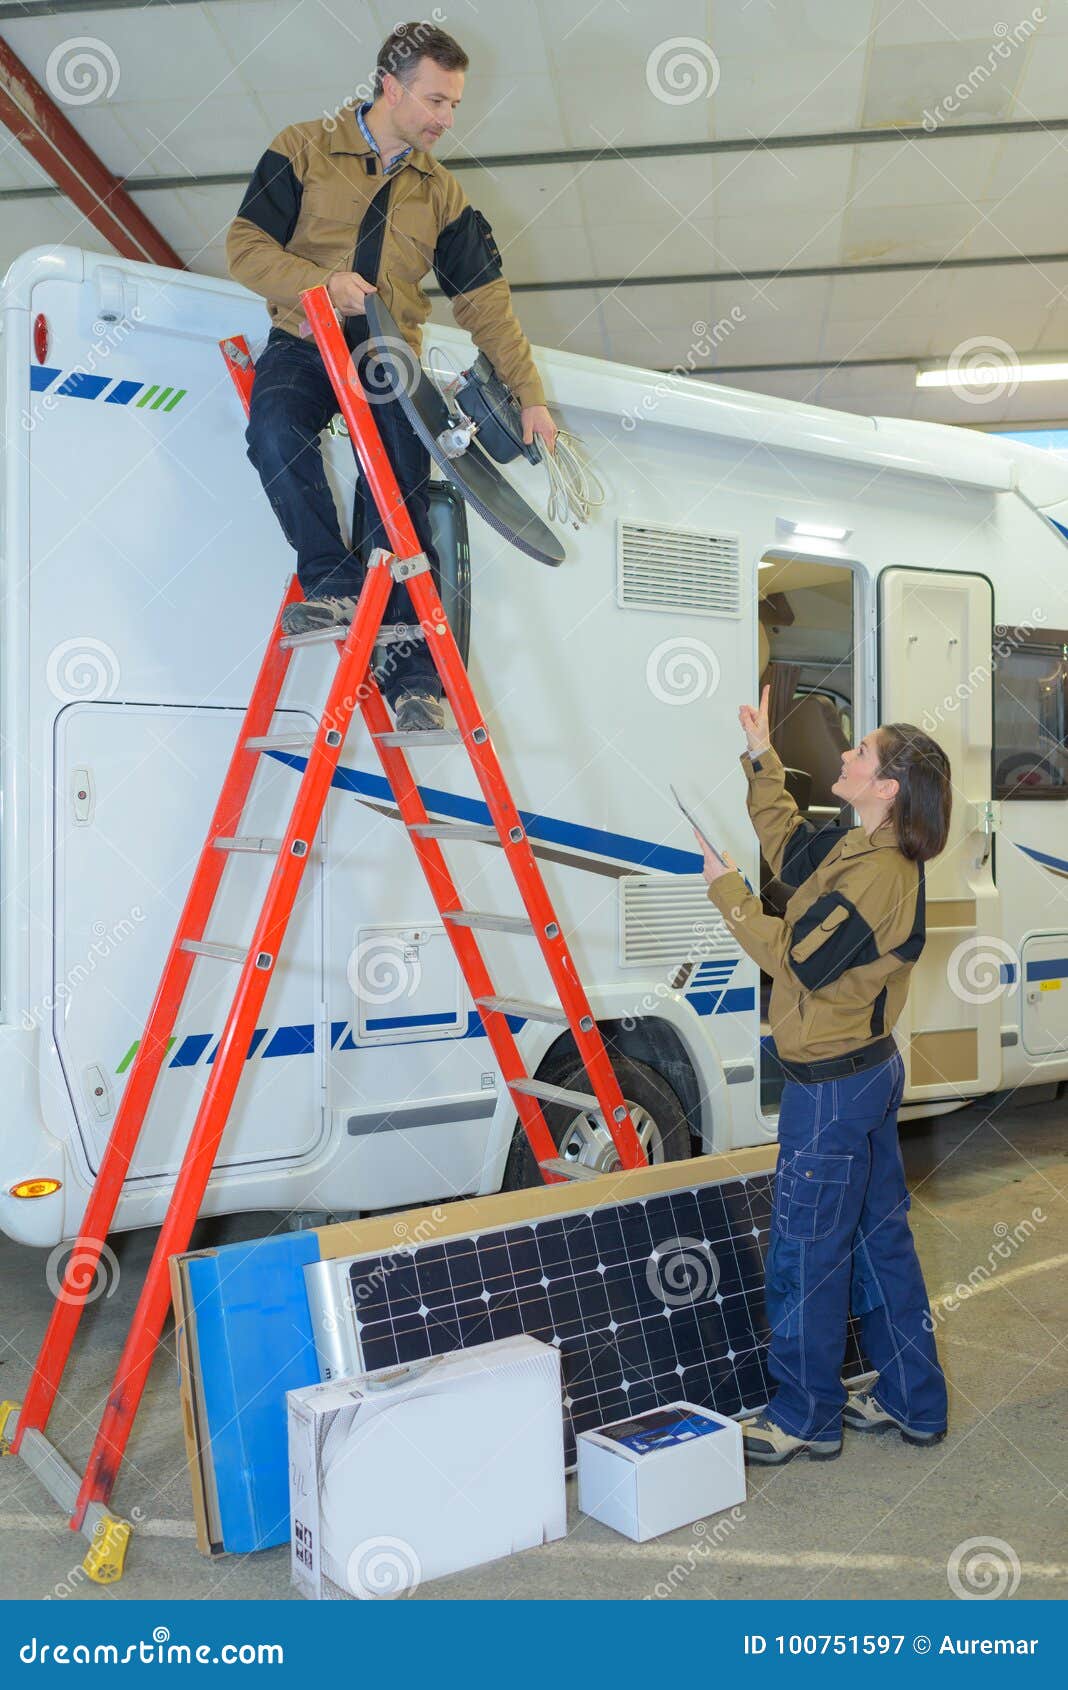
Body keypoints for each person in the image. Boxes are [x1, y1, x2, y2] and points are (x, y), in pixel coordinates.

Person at [226, 21, 556, 732]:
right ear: (390, 87)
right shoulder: (302, 147)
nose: (446, 119)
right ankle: (333, 583)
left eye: (454, 105)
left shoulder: (444, 194)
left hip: (389, 360)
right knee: (274, 433)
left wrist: (529, 396)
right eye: (435, 100)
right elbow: (245, 247)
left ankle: (416, 684)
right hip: (305, 339)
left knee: (399, 503)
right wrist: (322, 285)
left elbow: (485, 304)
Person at [698, 685, 950, 1463]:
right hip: (862, 1078)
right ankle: (912, 1399)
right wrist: (760, 756)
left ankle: (804, 1415)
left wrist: (725, 890)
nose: (846, 753)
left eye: (861, 752)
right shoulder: (859, 845)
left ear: (888, 787)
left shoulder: (880, 874)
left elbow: (797, 958)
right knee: (879, 1243)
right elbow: (791, 849)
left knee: (806, 1250)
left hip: (833, 1090)